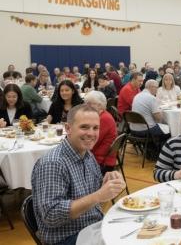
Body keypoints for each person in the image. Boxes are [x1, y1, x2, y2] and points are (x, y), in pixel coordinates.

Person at [31, 104, 126, 245]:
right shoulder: (53, 163)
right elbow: (51, 215)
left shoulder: (87, 155)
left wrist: (109, 187)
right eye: (84, 127)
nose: (91, 134)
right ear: (68, 128)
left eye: (96, 128)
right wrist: (99, 195)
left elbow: (97, 202)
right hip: (67, 237)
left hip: (92, 227)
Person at [84, 91, 117, 174]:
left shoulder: (103, 119)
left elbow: (91, 142)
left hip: (101, 161)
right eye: (86, 103)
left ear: (100, 105)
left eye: (89, 103)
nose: (85, 106)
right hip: (99, 156)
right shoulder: (100, 116)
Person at [131, 80, 170, 144]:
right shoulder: (151, 98)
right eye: (156, 87)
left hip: (133, 129)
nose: (157, 90)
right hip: (146, 130)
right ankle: (160, 151)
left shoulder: (137, 96)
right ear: (151, 87)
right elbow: (158, 118)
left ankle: (151, 149)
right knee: (170, 129)